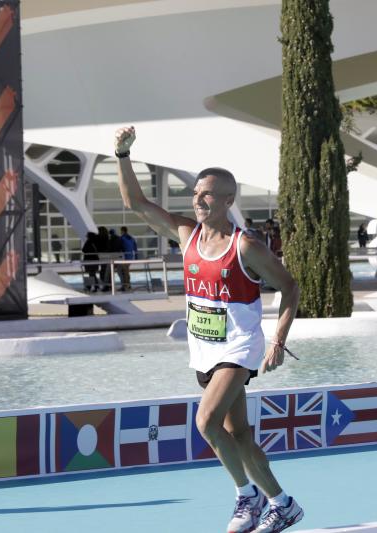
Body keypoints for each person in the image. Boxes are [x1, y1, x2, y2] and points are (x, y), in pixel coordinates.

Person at [115, 126, 303, 533]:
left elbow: (290, 287)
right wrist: (123, 157)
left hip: (239, 346)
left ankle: (245, 496)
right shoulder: (187, 236)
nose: (198, 199)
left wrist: (278, 341)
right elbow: (135, 203)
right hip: (204, 349)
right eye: (196, 192)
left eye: (207, 194)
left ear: (228, 201)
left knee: (205, 422)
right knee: (239, 439)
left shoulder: (245, 246)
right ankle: (282, 503)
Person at [120, 226, 138, 291]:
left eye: (121, 231)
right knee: (126, 271)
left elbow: (121, 247)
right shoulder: (131, 238)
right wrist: (136, 256)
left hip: (125, 257)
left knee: (125, 271)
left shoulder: (122, 238)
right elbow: (135, 248)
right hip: (130, 256)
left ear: (122, 231)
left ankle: (127, 285)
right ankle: (128, 284)